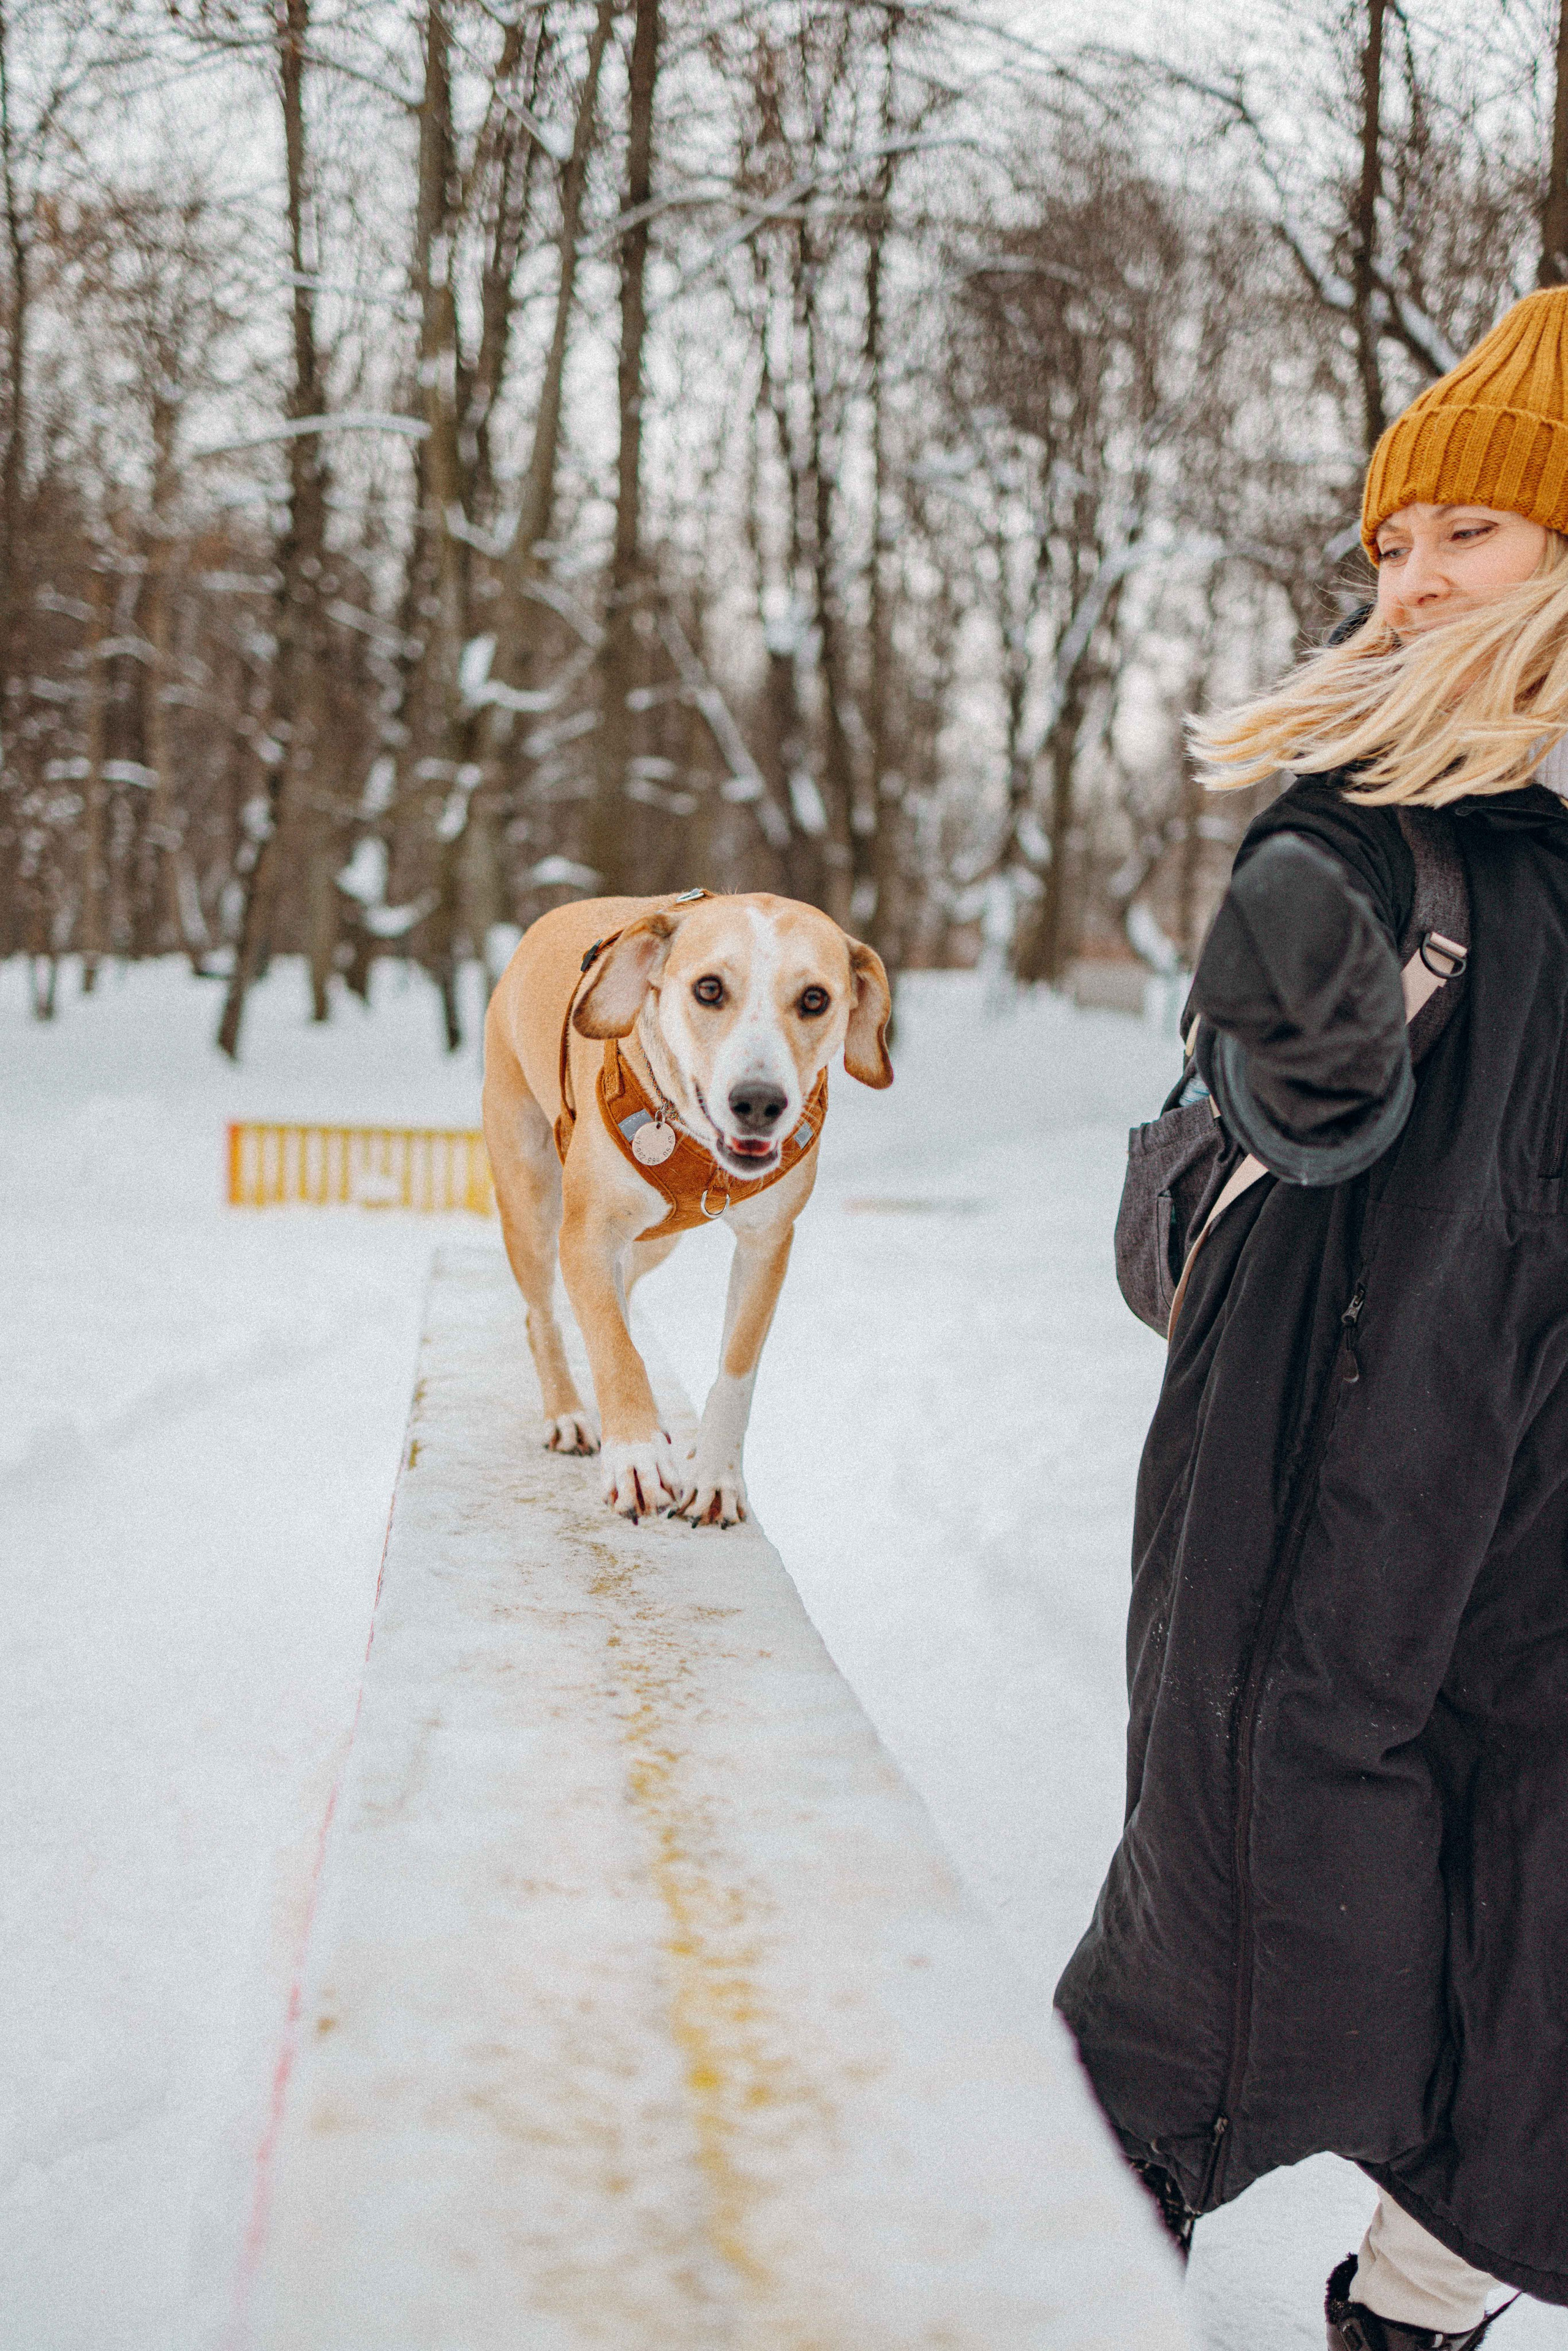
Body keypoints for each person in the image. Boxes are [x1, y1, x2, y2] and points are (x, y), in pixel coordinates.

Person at [1055, 286, 1568, 2351]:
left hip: (1546, 1539)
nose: (1416, 574)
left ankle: (1408, 2324)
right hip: (1345, 1494)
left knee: (1541, 2011)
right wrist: (1301, 1039)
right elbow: (1297, 1095)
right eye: (1396, 539)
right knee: (1230, 1973)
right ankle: (1039, 2289)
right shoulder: (1368, 819)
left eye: (1474, 530)